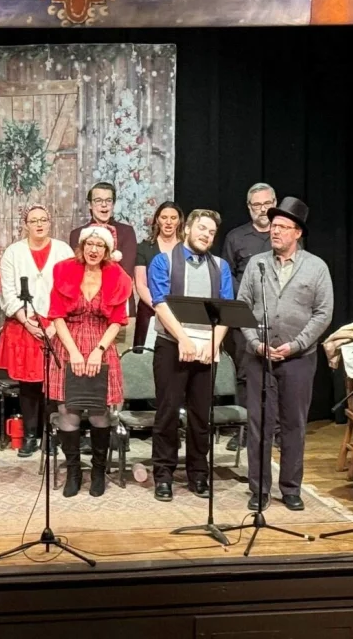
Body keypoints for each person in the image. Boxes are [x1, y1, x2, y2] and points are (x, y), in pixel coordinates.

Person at [237, 198, 333, 512]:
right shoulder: (257, 264)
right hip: (259, 357)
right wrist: (254, 343)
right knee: (259, 424)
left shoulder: (316, 267)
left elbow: (322, 314)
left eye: (282, 227)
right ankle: (258, 489)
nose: (274, 231)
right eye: (273, 226)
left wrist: (295, 345)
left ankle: (291, 488)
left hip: (298, 360)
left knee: (294, 425)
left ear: (297, 233)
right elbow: (243, 307)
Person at [147, 209, 234, 501]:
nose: (206, 235)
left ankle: (198, 473)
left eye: (211, 232)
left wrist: (213, 344)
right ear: (188, 229)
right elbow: (159, 303)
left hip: (207, 347)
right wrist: (182, 339)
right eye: (202, 229)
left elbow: (226, 309)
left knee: (201, 416)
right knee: (167, 413)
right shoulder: (164, 261)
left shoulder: (220, 266)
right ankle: (164, 475)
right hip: (172, 346)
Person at [48, 227, 133, 498]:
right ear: (82, 246)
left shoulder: (118, 276)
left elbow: (118, 320)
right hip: (68, 344)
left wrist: (97, 350)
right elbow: (57, 316)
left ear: (107, 251)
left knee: (99, 413)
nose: (94, 250)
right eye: (89, 244)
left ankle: (98, 470)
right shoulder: (64, 271)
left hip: (101, 345)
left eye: (100, 246)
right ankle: (73, 471)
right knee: (68, 413)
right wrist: (73, 351)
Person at [0, 204, 73, 457]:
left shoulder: (63, 251)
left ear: (50, 223)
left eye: (44, 220)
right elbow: (7, 291)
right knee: (28, 384)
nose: (39, 224)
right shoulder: (13, 253)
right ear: (25, 225)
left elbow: (71, 288)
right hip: (23, 325)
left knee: (53, 383)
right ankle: (30, 435)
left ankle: (52, 435)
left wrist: (53, 324)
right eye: (34, 220)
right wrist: (27, 320)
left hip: (56, 324)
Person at [221, 183, 277, 451]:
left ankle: (274, 430)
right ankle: (244, 430)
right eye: (257, 205)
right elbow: (226, 273)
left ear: (275, 203)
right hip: (244, 316)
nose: (263, 209)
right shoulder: (236, 237)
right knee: (245, 374)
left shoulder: (285, 235)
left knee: (276, 374)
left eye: (267, 204)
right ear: (249, 207)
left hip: (278, 317)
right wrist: (244, 298)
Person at [133, 202, 185, 348]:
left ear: (179, 221)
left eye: (173, 218)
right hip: (150, 310)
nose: (168, 222)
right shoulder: (144, 247)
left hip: (179, 313)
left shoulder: (187, 248)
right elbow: (141, 284)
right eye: (164, 217)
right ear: (157, 220)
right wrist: (159, 307)